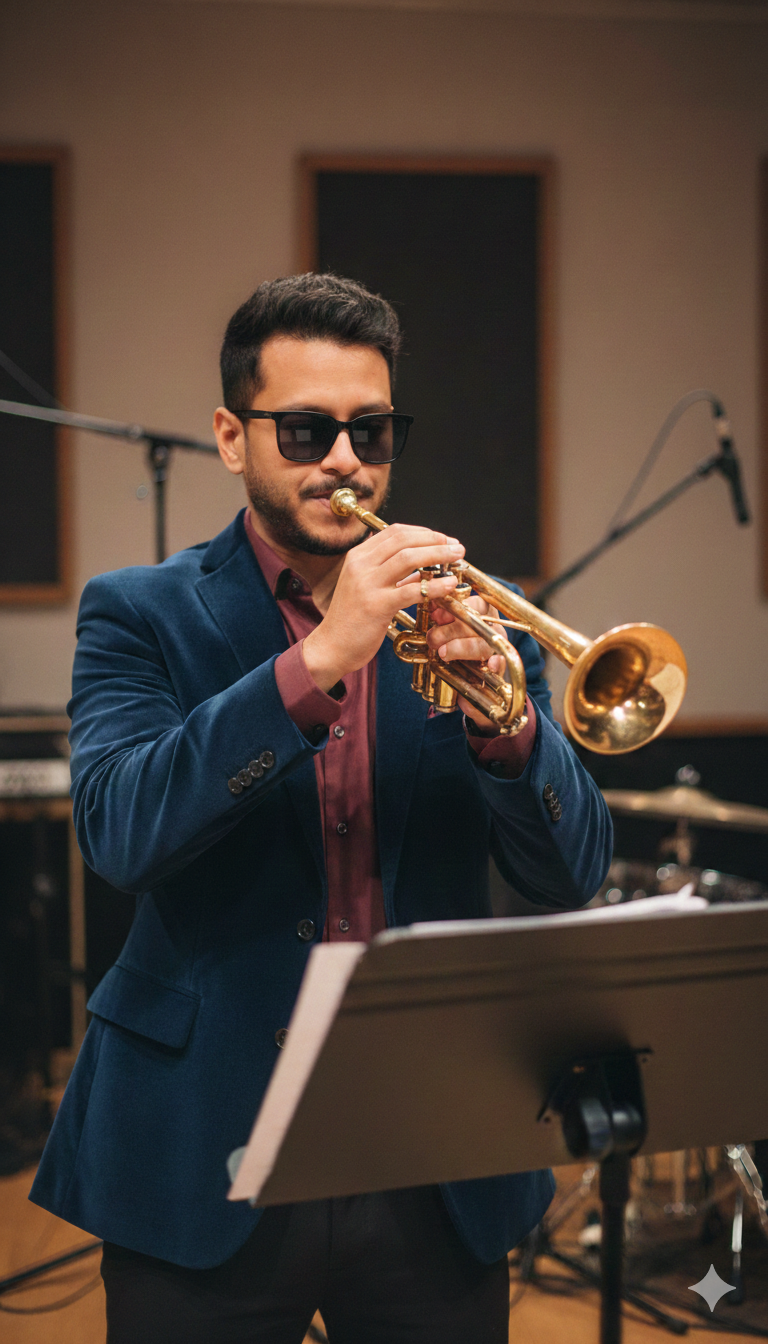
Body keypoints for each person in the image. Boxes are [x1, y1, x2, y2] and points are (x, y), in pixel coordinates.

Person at [30, 273, 612, 1343]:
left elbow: (571, 874)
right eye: (305, 431)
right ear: (232, 438)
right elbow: (120, 833)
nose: (345, 460)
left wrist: (509, 729)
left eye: (370, 431)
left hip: (430, 1143)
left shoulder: (465, 612)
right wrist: (321, 659)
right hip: (205, 1134)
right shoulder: (138, 613)